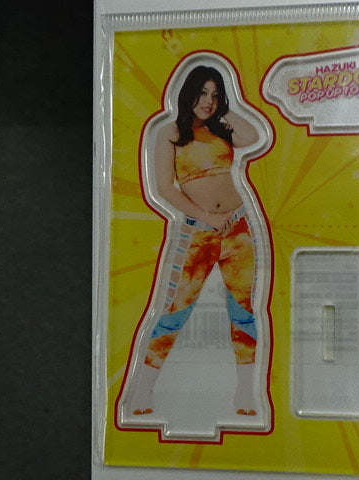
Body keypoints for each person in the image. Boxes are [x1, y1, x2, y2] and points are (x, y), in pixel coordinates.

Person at [128, 65, 263, 417]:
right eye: (202, 93)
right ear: (188, 92)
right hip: (199, 231)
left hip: (237, 228)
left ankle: (246, 393)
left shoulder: (221, 129)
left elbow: (252, 136)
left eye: (215, 95)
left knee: (243, 311)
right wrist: (207, 217)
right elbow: (163, 188)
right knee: (177, 309)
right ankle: (142, 389)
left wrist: (227, 107)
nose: (208, 101)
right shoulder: (170, 132)